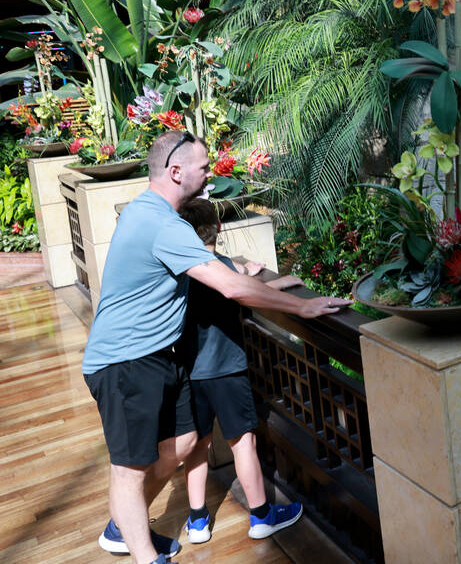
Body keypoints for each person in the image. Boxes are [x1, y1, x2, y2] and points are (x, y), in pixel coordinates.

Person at [81, 130, 351, 564]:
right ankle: (146, 555)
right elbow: (228, 287)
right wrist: (300, 309)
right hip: (124, 362)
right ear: (175, 171)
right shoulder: (161, 222)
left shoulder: (148, 211)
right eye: (204, 166)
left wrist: (249, 271)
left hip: (156, 358)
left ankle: (122, 526)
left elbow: (211, 269)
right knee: (129, 471)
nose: (210, 174)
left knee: (186, 440)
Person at [176, 197, 305, 543]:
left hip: (190, 369)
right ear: (218, 228)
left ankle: (198, 521)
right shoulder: (219, 267)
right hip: (226, 368)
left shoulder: (182, 269)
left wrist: (245, 272)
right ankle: (262, 516)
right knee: (242, 443)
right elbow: (244, 292)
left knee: (197, 446)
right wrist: (281, 283)